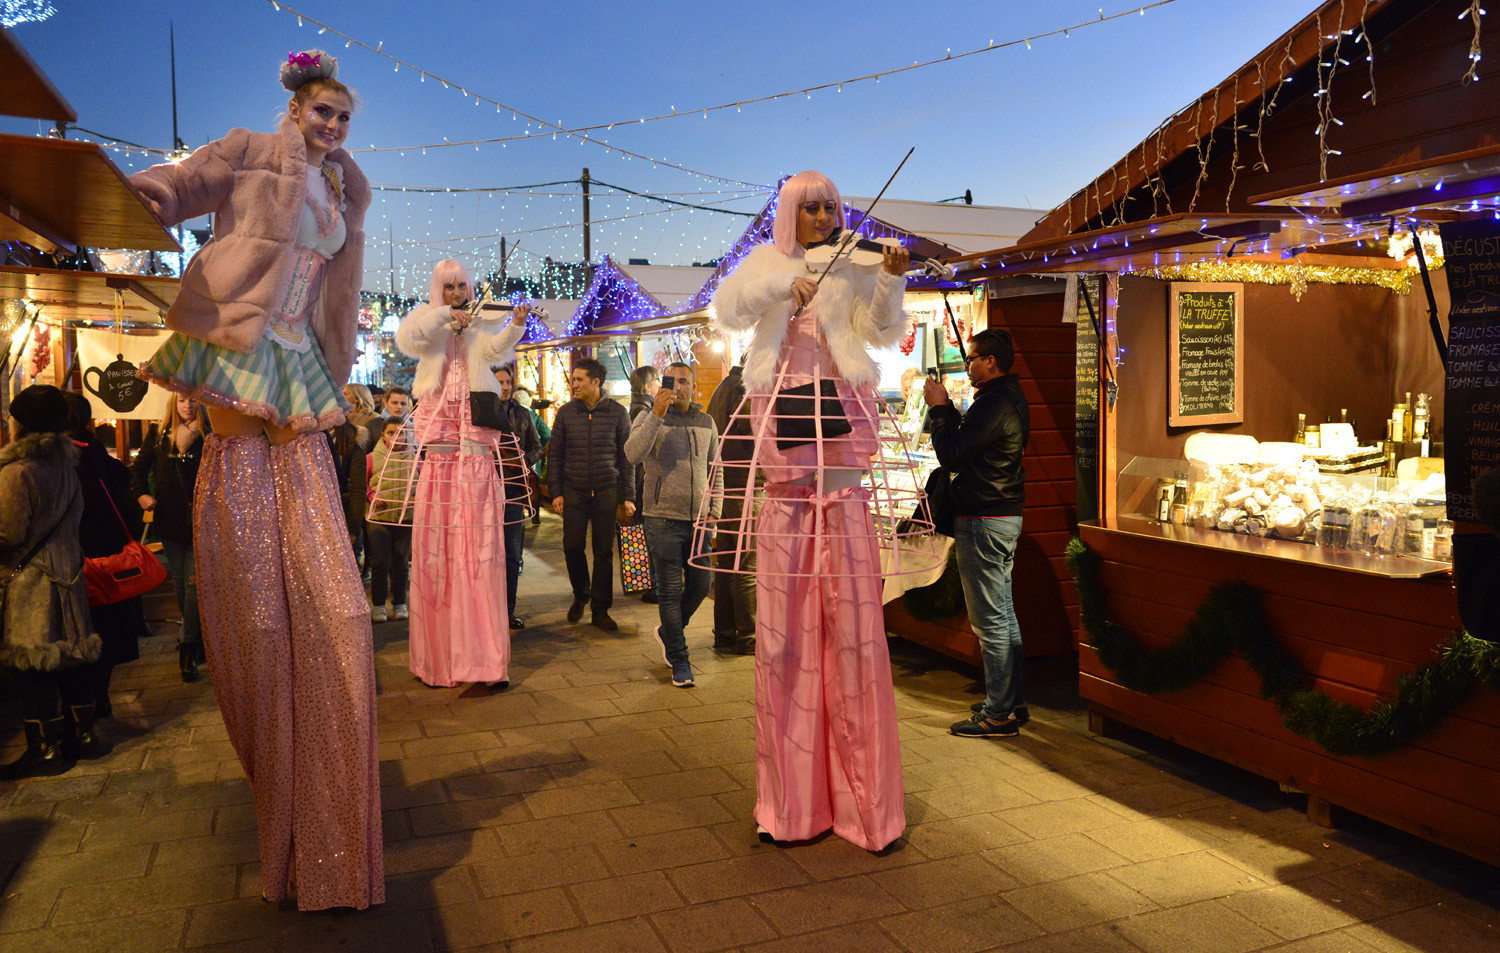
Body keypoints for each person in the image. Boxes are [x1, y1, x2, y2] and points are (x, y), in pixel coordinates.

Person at [128, 49, 382, 910]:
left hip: (298, 354)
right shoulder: (249, 150)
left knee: (327, 596)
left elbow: (333, 280)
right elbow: (189, 179)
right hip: (237, 337)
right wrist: (154, 192)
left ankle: (318, 779)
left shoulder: (344, 190)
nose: (335, 129)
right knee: (248, 524)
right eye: (324, 115)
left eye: (345, 119)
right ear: (297, 110)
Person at [706, 170, 911, 852]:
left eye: (830, 205)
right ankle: (791, 804)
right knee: (786, 638)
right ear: (792, 210)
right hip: (787, 457)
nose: (824, 214)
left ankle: (866, 809)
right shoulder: (768, 262)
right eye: (811, 205)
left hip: (843, 449)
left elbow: (881, 331)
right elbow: (730, 306)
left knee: (855, 635)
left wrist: (889, 279)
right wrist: (782, 285)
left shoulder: (853, 263)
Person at [394, 258, 527, 689]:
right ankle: (438, 659)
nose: (458, 294)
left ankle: (484, 661)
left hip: (474, 441)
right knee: (436, 549)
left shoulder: (477, 324)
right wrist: (443, 318)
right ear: (439, 289)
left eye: (463, 286)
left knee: (481, 547)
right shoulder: (425, 318)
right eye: (449, 287)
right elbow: (408, 340)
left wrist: (515, 327)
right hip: (439, 440)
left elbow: (496, 352)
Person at [924, 328, 1030, 737]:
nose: (966, 365)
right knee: (1003, 615)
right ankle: (1011, 700)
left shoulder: (994, 403)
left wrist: (940, 408)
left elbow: (951, 453)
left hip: (984, 519)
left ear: (990, 361)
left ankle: (998, 713)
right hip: (1000, 516)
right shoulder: (1006, 398)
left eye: (971, 358)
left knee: (990, 621)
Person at [0, 385, 101, 780]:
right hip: (68, 573)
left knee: (34, 663)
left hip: (31, 583)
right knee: (71, 658)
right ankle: (84, 736)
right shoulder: (65, 466)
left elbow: (7, 532)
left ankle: (44, 751)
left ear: (20, 423)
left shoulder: (17, 472)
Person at [625, 361, 721, 687]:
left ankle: (668, 633)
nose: (678, 386)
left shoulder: (706, 421)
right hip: (661, 516)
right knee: (669, 591)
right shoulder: (647, 417)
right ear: (661, 385)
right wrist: (656, 415)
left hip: (700, 520)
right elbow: (632, 454)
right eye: (672, 381)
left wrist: (715, 511)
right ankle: (680, 659)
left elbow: (715, 469)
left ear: (695, 388)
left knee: (701, 585)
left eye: (684, 381)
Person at [63, 391, 149, 727]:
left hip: (82, 558)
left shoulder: (66, 459)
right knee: (108, 629)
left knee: (85, 629)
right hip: (111, 559)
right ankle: (100, 695)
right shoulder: (99, 454)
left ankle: (87, 703)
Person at [548, 358, 634, 630]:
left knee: (604, 551)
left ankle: (600, 609)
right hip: (574, 489)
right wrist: (556, 492)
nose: (573, 384)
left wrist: (628, 495)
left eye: (579, 379)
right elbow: (556, 455)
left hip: (607, 488)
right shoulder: (565, 413)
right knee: (572, 546)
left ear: (596, 382)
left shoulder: (618, 413)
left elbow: (626, 457)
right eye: (573, 379)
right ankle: (581, 592)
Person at [133, 394, 209, 682]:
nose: (187, 406)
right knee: (179, 582)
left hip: (201, 519)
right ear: (173, 403)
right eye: (181, 400)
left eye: (192, 400)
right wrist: (140, 494)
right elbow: (139, 468)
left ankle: (187, 648)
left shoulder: (209, 434)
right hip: (169, 517)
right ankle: (196, 639)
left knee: (192, 585)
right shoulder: (159, 432)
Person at [704, 361, 756, 656]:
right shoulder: (745, 388)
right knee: (748, 565)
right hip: (748, 485)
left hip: (725, 489)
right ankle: (749, 638)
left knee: (725, 565)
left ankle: (724, 634)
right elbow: (753, 427)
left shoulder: (723, 386)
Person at [493, 364, 541, 629]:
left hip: (513, 490)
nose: (506, 387)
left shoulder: (522, 413)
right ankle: (488, 609)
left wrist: (524, 461)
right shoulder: (481, 412)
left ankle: (508, 610)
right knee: (488, 554)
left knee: (512, 553)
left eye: (508, 382)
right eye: (500, 382)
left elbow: (537, 447)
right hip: (484, 490)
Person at [365, 417, 413, 623]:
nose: (396, 437)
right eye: (391, 432)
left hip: (405, 518)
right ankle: (378, 605)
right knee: (380, 563)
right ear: (383, 435)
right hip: (379, 519)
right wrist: (372, 496)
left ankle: (400, 602)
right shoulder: (371, 458)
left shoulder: (415, 458)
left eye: (401, 432)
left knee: (401, 562)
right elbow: (361, 484)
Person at [627, 365, 661, 604]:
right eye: (658, 381)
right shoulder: (644, 411)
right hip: (641, 482)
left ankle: (643, 581)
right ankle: (652, 585)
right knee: (647, 535)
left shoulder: (635, 407)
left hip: (637, 483)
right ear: (648, 386)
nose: (661, 385)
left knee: (641, 533)